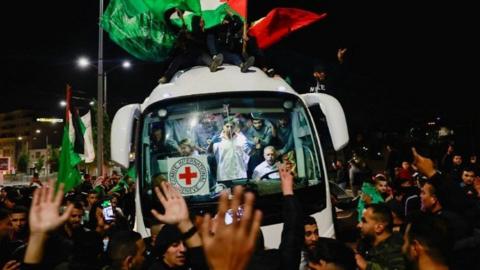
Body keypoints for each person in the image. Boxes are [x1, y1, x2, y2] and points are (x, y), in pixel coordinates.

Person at [158, 12, 223, 84]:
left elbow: (202, 43)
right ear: (197, 23)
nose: (203, 22)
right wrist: (182, 33)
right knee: (179, 59)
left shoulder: (205, 33)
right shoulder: (188, 32)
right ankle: (166, 77)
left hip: (200, 59)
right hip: (189, 59)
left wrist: (191, 38)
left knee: (202, 54)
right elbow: (179, 43)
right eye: (201, 21)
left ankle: (212, 65)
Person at [355, 203, 406, 270]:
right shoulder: (367, 243)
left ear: (379, 227)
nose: (359, 225)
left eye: (364, 221)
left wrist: (366, 266)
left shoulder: (395, 249)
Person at [209, 117, 251, 181]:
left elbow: (249, 152)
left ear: (234, 127)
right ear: (223, 127)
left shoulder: (241, 138)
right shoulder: (218, 139)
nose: (229, 128)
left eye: (231, 127)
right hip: (224, 175)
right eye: (227, 126)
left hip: (239, 174)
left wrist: (252, 147)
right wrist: (212, 143)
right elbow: (210, 153)